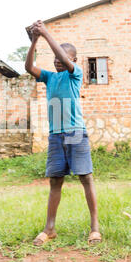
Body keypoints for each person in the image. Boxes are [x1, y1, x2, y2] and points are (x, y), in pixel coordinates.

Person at [25, 20, 101, 245]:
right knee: (55, 182)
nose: (57, 60)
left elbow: (64, 58)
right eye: (55, 58)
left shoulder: (74, 74)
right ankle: (49, 229)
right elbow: (29, 67)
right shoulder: (50, 77)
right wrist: (34, 41)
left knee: (85, 178)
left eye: (62, 57)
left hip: (75, 132)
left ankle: (95, 227)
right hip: (56, 135)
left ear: (73, 60)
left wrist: (47, 33)